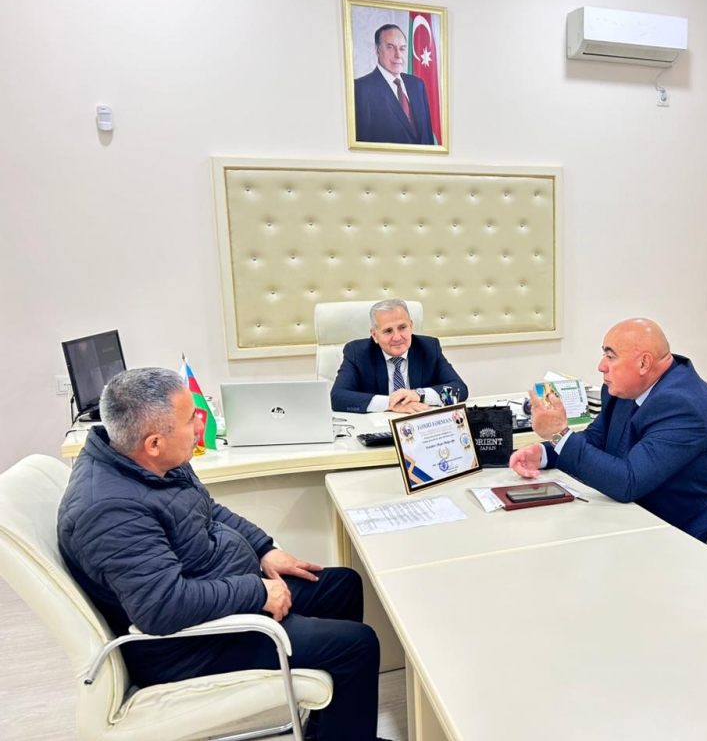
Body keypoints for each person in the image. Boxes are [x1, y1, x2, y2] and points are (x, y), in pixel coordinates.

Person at [57, 368, 386, 741]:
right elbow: (162, 608)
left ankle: (334, 732)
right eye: (191, 419)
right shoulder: (109, 510)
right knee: (357, 644)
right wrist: (258, 593)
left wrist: (264, 549)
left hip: (220, 591)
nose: (201, 424)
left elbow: (208, 510)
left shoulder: (147, 462)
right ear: (154, 443)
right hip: (190, 643)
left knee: (343, 585)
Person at [509, 318, 707, 566]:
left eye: (610, 356)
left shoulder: (683, 405)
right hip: (647, 517)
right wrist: (545, 453)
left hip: (704, 539)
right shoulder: (626, 388)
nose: (601, 366)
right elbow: (597, 439)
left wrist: (558, 434)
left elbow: (628, 482)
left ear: (644, 363)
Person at [331, 299, 468, 413]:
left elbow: (459, 389)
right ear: (375, 335)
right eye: (388, 331)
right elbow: (338, 397)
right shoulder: (357, 353)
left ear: (411, 326)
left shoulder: (429, 348)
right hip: (377, 427)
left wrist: (419, 394)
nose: (397, 337)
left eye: (402, 327)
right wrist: (390, 403)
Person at [353, 23, 435, 145]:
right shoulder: (361, 89)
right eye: (390, 47)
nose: (398, 55)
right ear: (377, 49)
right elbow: (363, 145)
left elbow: (427, 137)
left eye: (402, 48)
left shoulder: (417, 85)